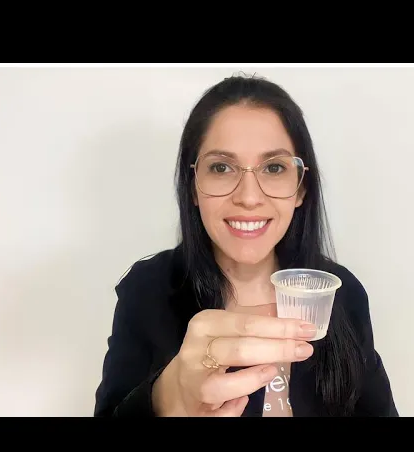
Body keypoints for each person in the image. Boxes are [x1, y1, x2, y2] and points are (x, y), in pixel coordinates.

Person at [94, 73, 398, 417]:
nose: (249, 198)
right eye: (222, 167)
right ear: (193, 187)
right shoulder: (147, 291)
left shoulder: (342, 294)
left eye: (274, 167)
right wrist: (165, 399)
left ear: (301, 188)